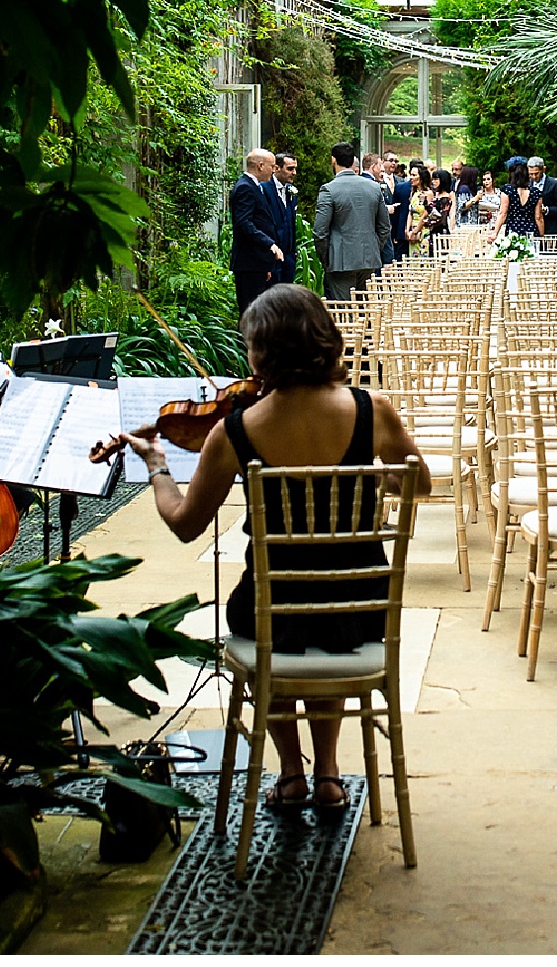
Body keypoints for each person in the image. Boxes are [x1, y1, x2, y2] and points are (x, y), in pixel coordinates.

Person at [125, 285, 426, 814]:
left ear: (260, 354)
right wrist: (377, 479)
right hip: (360, 607)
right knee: (325, 620)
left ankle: (291, 775)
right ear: (323, 341)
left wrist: (156, 465)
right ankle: (329, 775)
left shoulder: (234, 431)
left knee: (278, 615)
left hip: (270, 611)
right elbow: (417, 483)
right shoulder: (371, 409)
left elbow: (184, 523)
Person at [313, 142, 394, 302]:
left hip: (339, 260)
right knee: (365, 309)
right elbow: (384, 227)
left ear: (333, 161)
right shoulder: (374, 188)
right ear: (353, 162)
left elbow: (320, 231)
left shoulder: (329, 190)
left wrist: (326, 258)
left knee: (344, 310)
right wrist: (374, 247)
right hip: (368, 258)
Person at [228, 149, 284, 314]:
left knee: (259, 311)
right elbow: (244, 223)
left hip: (257, 262)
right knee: (250, 311)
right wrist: (270, 245)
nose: (274, 171)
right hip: (249, 262)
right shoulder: (245, 187)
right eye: (272, 166)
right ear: (260, 166)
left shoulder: (255, 186)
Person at [491, 165, 543, 242]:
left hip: (513, 229)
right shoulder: (536, 192)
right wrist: (541, 236)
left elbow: (502, 214)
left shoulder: (507, 191)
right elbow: (538, 217)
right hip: (531, 230)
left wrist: (495, 233)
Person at [271, 152, 300, 285]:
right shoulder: (265, 188)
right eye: (289, 169)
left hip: (288, 256)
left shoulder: (291, 191)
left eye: (295, 169)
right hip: (273, 253)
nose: (294, 173)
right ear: (277, 168)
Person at [529, 158, 557, 239]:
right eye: (531, 174)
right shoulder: (526, 183)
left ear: (543, 169)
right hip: (531, 229)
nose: (533, 177)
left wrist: (547, 209)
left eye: (536, 174)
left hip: (550, 230)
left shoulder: (555, 184)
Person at [385, 156, 413, 261]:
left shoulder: (400, 181)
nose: (394, 163)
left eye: (396, 161)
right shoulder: (378, 180)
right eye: (391, 160)